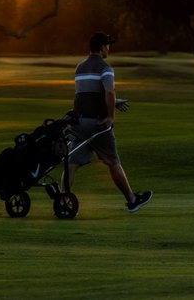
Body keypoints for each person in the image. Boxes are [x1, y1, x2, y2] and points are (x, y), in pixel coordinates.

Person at [63, 31, 152, 213]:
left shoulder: (80, 67)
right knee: (113, 161)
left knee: (72, 162)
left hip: (79, 122)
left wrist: (114, 103)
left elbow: (87, 95)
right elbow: (109, 92)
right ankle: (132, 200)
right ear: (102, 47)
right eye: (108, 45)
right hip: (98, 124)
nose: (109, 48)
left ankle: (63, 198)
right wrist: (111, 116)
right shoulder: (105, 68)